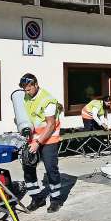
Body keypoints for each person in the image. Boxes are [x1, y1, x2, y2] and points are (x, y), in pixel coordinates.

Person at [18, 73, 64, 213]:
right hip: (33, 138)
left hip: (48, 139)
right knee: (28, 167)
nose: (26, 92)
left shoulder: (47, 100)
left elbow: (50, 125)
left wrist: (38, 142)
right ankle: (37, 198)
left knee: (51, 169)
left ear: (36, 85)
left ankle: (56, 200)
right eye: (24, 89)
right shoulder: (26, 97)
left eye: (28, 89)